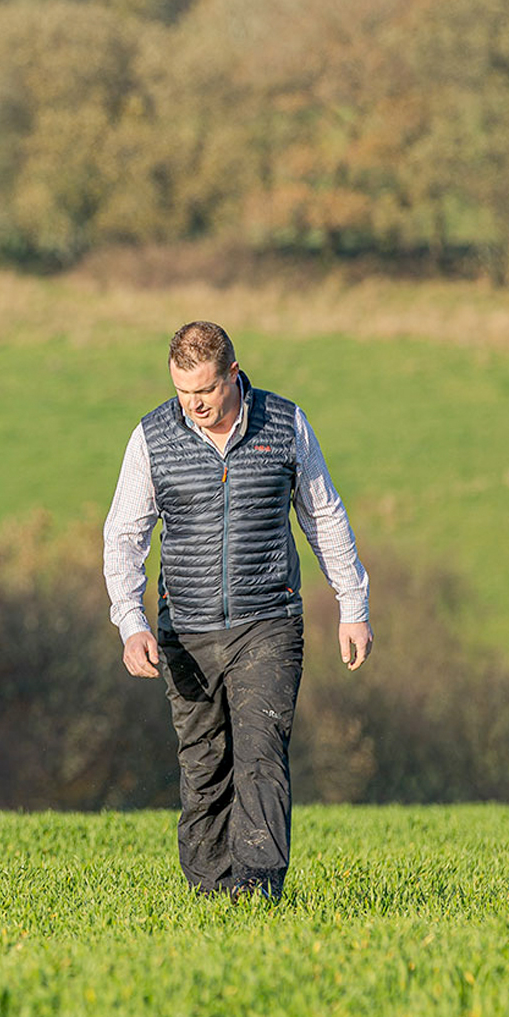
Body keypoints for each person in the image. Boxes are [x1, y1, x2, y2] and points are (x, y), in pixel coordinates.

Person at [103, 321, 372, 901]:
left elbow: (323, 513)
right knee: (204, 768)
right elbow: (125, 535)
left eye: (204, 390)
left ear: (233, 372)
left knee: (261, 754)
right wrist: (131, 623)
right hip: (186, 630)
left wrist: (353, 603)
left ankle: (258, 889)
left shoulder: (284, 424)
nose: (194, 405)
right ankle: (210, 892)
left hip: (268, 622)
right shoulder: (151, 438)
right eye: (182, 392)